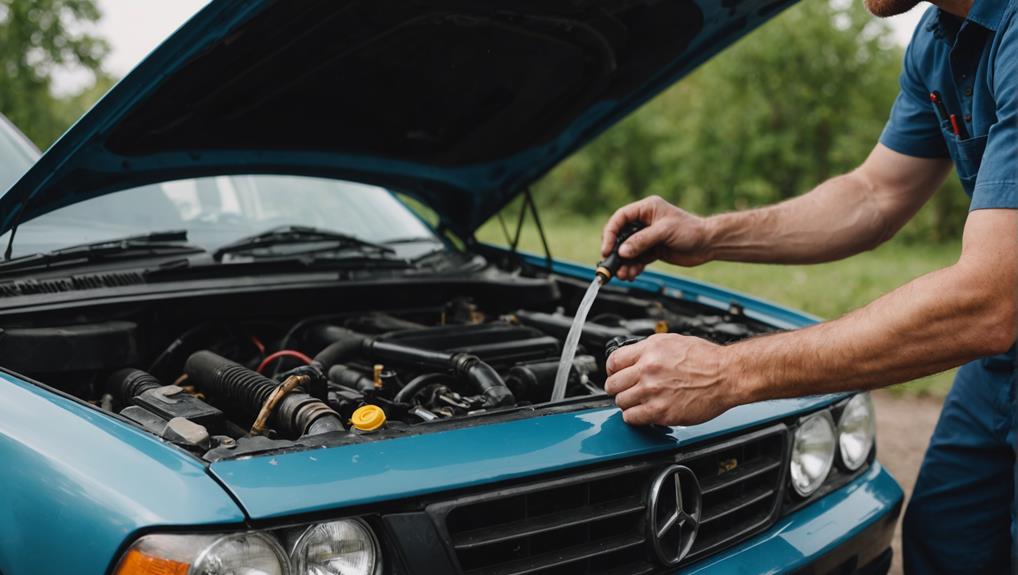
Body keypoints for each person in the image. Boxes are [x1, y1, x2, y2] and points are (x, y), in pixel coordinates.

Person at [600, 0, 1018, 571]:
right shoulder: (938, 39)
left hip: (1001, 325)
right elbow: (875, 194)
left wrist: (728, 372)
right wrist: (709, 234)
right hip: (999, 370)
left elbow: (992, 301)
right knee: (947, 541)